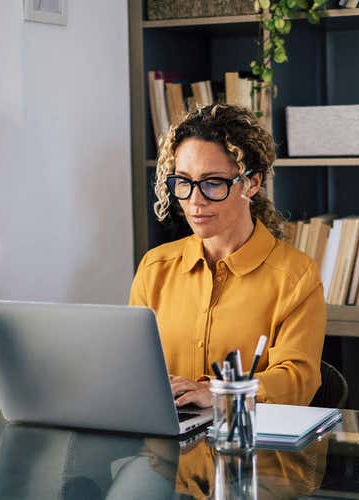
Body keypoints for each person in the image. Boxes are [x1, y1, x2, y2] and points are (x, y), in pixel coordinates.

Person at [129, 104, 325, 408]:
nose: (195, 201)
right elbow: (134, 369)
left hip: (251, 445)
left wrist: (219, 392)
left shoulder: (294, 276)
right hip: (166, 442)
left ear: (252, 183)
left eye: (212, 183)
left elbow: (298, 380)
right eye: (183, 182)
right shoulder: (155, 267)